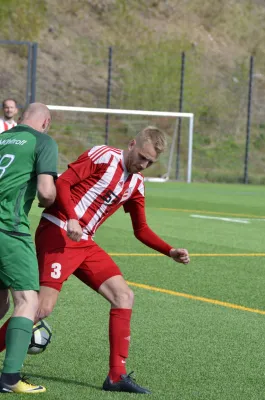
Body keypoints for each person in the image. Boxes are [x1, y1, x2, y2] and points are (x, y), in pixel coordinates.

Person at [0, 126, 190, 393]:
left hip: (85, 242)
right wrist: (72, 218)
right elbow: (63, 183)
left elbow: (141, 229)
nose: (144, 164)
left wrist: (169, 251)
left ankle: (116, 375)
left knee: (124, 296)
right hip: (59, 231)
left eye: (150, 162)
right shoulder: (102, 155)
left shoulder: (136, 183)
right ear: (132, 143)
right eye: (142, 157)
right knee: (40, 308)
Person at [0, 103, 58, 394]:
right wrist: (50, 199)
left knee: (0, 305)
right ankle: (10, 379)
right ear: (45, 122)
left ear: (20, 117)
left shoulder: (1, 138)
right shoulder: (43, 141)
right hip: (9, 229)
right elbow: (46, 192)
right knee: (27, 301)